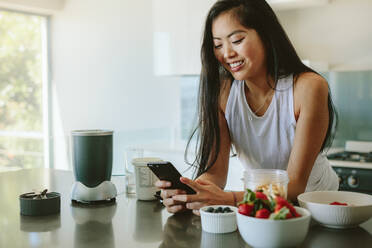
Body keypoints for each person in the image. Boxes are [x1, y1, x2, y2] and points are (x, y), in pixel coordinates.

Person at [155, 0, 339, 215]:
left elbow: (295, 185)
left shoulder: (308, 87)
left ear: (266, 36)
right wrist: (192, 194)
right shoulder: (223, 91)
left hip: (317, 206)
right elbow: (214, 172)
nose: (227, 53)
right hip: (261, 205)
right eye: (217, 45)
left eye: (237, 40)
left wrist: (230, 198)